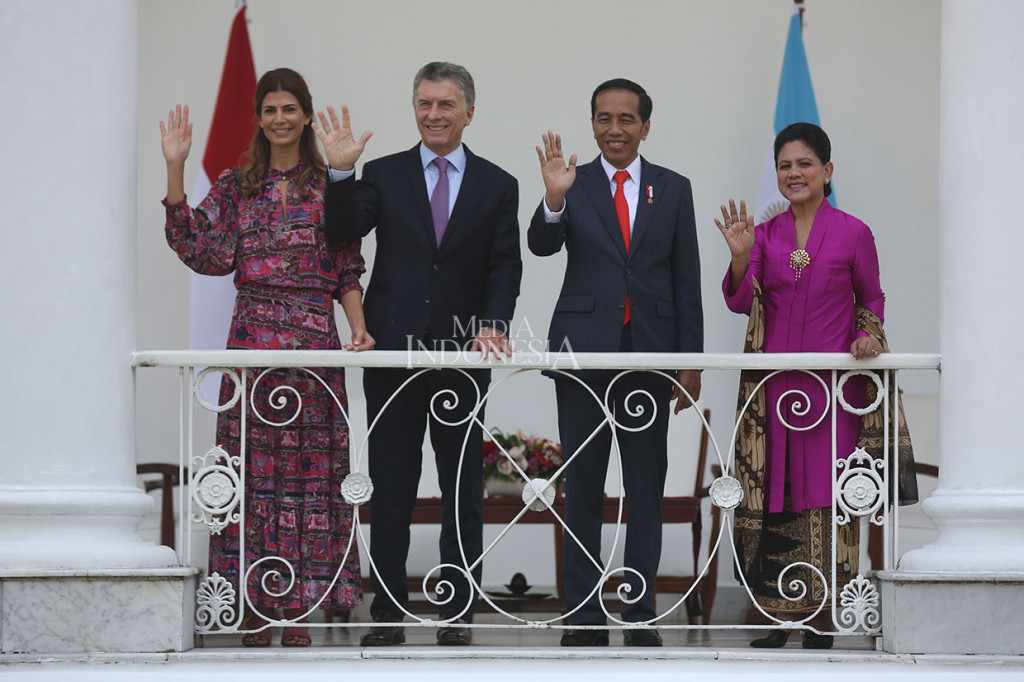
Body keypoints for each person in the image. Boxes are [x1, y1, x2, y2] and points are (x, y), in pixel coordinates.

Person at [161, 68, 373, 648]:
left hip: (313, 345)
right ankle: (253, 604)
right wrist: (176, 168)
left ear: (306, 115)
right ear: (259, 118)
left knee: (309, 481)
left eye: (290, 108)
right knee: (253, 475)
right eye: (270, 109)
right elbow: (202, 249)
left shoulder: (330, 183)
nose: (279, 118)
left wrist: (358, 330)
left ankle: (301, 608)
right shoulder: (238, 184)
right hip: (252, 341)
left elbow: (347, 267)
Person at [315, 61, 522, 646]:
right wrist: (339, 170)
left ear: (469, 113)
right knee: (393, 484)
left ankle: (457, 612)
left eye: (446, 105)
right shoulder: (381, 174)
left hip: (462, 354)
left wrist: (492, 325)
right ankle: (388, 613)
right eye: (425, 104)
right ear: (415, 109)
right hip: (393, 355)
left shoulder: (497, 184)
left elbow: (505, 263)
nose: (433, 115)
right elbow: (341, 231)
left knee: (461, 487)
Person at [529, 78, 703, 647]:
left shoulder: (673, 190)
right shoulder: (571, 184)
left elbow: (687, 282)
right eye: (604, 118)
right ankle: (582, 613)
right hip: (584, 352)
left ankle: (639, 612)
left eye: (626, 119)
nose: (614, 129)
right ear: (593, 124)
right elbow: (540, 245)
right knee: (583, 485)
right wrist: (553, 200)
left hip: (650, 353)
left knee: (644, 485)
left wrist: (690, 363)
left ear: (645, 127)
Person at [718, 122, 885, 650]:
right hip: (775, 394)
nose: (794, 173)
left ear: (827, 170)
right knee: (776, 496)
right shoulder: (765, 235)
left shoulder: (854, 232)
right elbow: (742, 301)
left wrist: (866, 335)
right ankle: (777, 616)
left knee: (825, 498)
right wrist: (741, 255)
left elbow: (872, 298)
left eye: (805, 163)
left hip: (834, 394)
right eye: (785, 165)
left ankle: (823, 619)